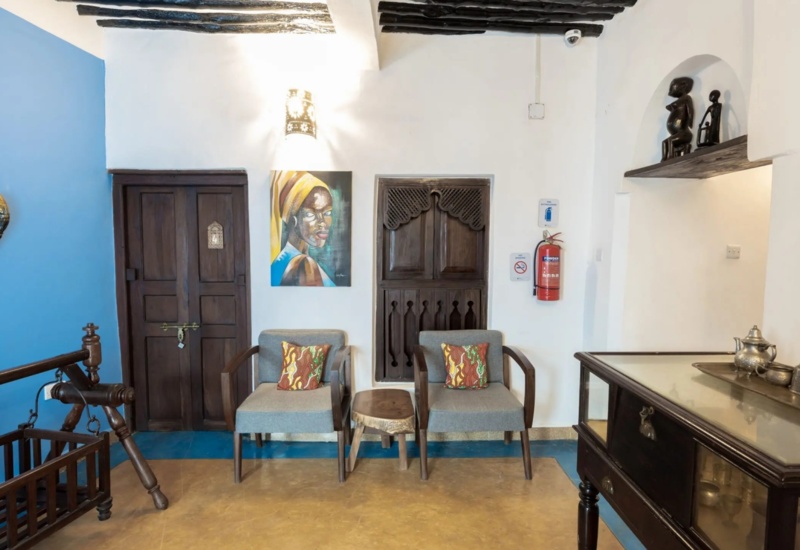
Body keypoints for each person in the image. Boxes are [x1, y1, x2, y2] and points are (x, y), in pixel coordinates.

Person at [271, 171, 336, 286]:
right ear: (293, 220)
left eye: (327, 213)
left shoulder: (281, 261)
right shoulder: (304, 265)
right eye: (311, 214)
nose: (323, 223)